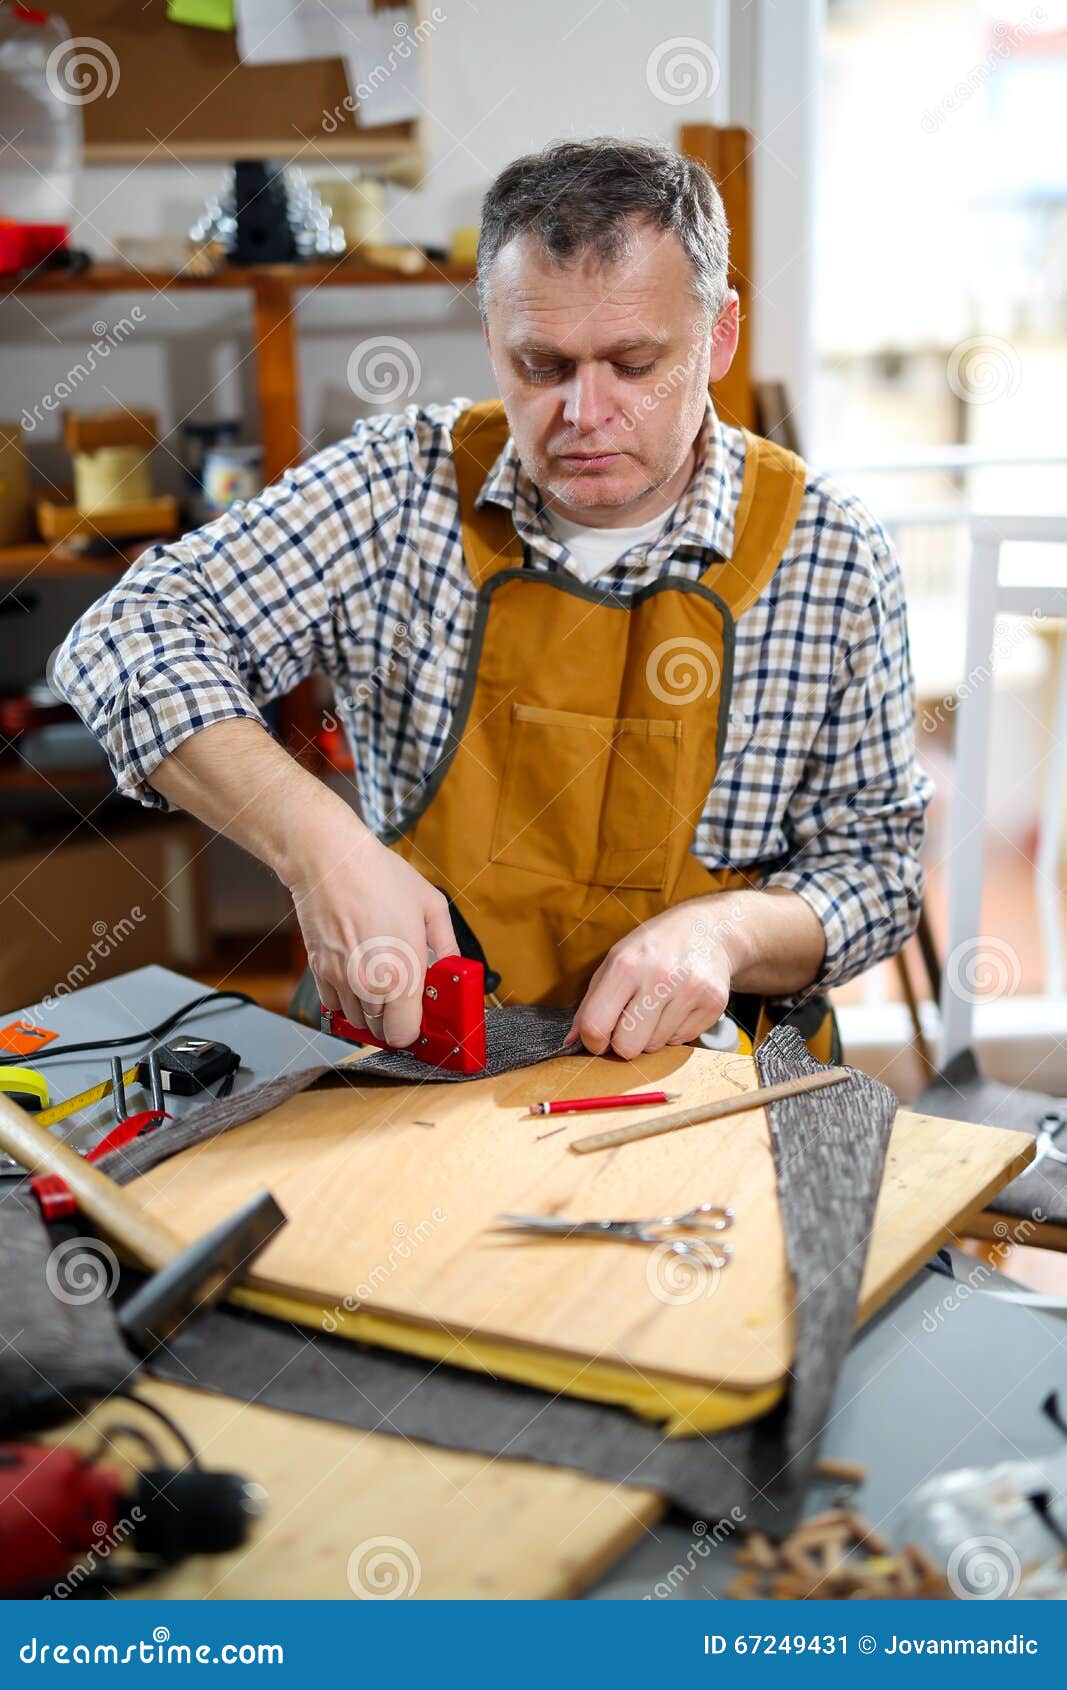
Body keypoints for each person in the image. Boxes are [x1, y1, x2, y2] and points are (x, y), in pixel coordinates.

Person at [51, 136, 931, 1062]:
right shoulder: (399, 488)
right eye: (541, 366)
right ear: (490, 339)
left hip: (708, 1083)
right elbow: (126, 634)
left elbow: (875, 874)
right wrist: (321, 847)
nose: (584, 413)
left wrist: (725, 934)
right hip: (422, 1064)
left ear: (719, 336)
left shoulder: (830, 551)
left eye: (633, 363)